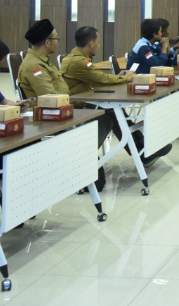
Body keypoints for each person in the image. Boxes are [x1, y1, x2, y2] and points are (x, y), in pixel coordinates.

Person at [61, 26, 169, 186]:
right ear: (91, 43)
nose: (99, 45)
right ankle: (142, 152)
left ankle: (143, 151)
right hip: (78, 106)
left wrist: (118, 77)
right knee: (112, 113)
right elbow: (101, 79)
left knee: (114, 111)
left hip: (85, 101)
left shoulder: (80, 58)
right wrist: (126, 78)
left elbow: (97, 77)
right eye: (98, 42)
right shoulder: (78, 61)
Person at [18, 19, 68, 103]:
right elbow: (51, 98)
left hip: (63, 104)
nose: (57, 42)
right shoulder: (34, 66)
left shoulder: (43, 61)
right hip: (50, 109)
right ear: (48, 43)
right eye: (56, 38)